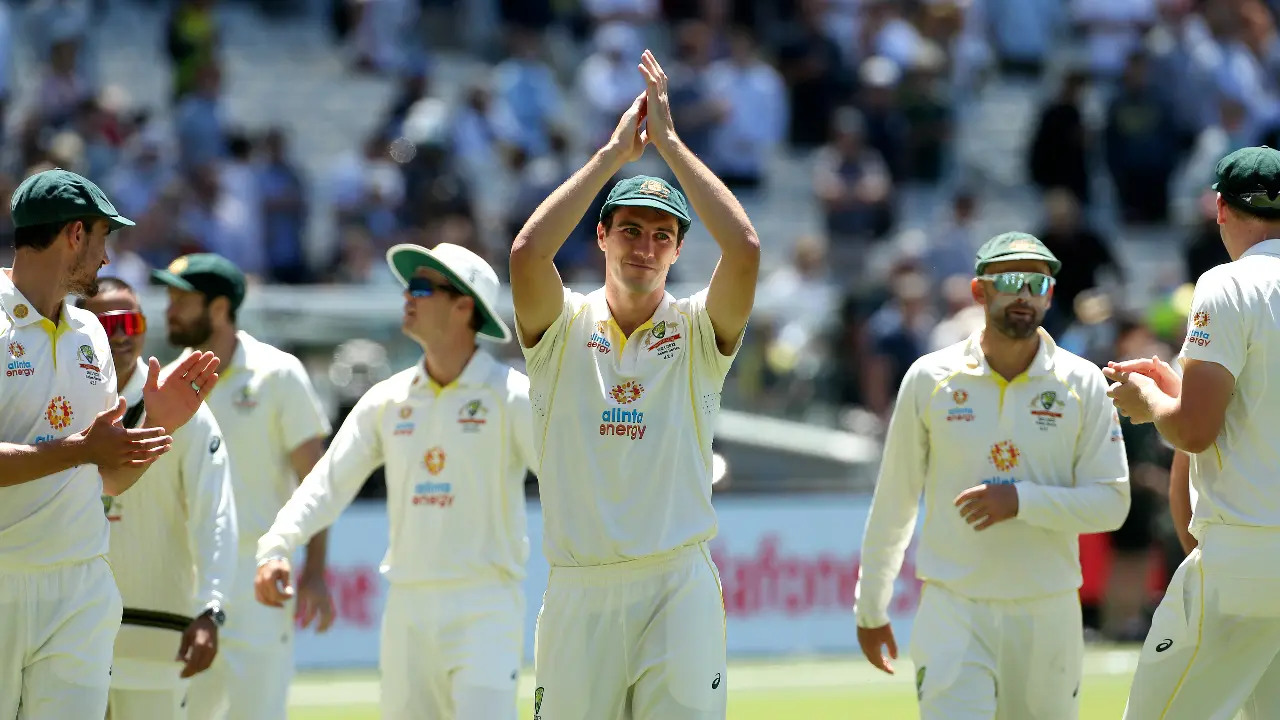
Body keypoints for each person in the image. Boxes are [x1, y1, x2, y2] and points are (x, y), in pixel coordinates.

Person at [509, 50, 760, 720]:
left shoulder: (700, 333)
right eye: (629, 230)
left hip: (676, 585)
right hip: (578, 589)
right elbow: (527, 254)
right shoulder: (561, 329)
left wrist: (671, 145)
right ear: (601, 235)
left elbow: (745, 250)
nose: (643, 247)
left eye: (660, 235)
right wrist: (613, 157)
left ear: (678, 250)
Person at [854, 232, 1131, 720]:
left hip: (1048, 610)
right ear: (980, 292)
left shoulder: (1082, 381)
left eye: (1037, 283)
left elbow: (1112, 503)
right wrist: (871, 607)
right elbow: (895, 500)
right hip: (954, 607)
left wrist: (1021, 501)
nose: (1024, 294)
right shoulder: (929, 376)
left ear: (1049, 295)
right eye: (1010, 281)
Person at [255, 243, 535, 720]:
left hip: (486, 606)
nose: (408, 295)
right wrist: (277, 546)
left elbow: (566, 490)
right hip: (408, 607)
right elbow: (327, 482)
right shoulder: (387, 399)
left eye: (423, 287)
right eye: (409, 285)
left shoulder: (513, 396)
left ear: (465, 306)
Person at [0, 168, 219, 718]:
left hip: (80, 585)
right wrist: (78, 450)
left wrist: (161, 422)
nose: (105, 257)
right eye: (103, 238)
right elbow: (85, 454)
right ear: (75, 234)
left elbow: (107, 477)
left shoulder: (90, 333)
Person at [1110, 146, 1280, 719]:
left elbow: (1196, 431)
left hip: (1247, 560)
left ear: (1221, 210)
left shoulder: (1227, 284)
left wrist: (1152, 400)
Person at [150, 253, 333, 720]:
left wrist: (314, 571)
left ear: (218, 309)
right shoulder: (167, 384)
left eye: (181, 299)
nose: (168, 309)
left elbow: (316, 481)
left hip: (259, 577)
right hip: (183, 579)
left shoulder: (278, 372)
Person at [80, 277, 238, 720]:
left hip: (156, 638)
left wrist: (211, 608)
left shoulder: (182, 406)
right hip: (66, 633)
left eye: (131, 320)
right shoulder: (56, 400)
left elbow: (216, 512)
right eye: (106, 321)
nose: (121, 333)